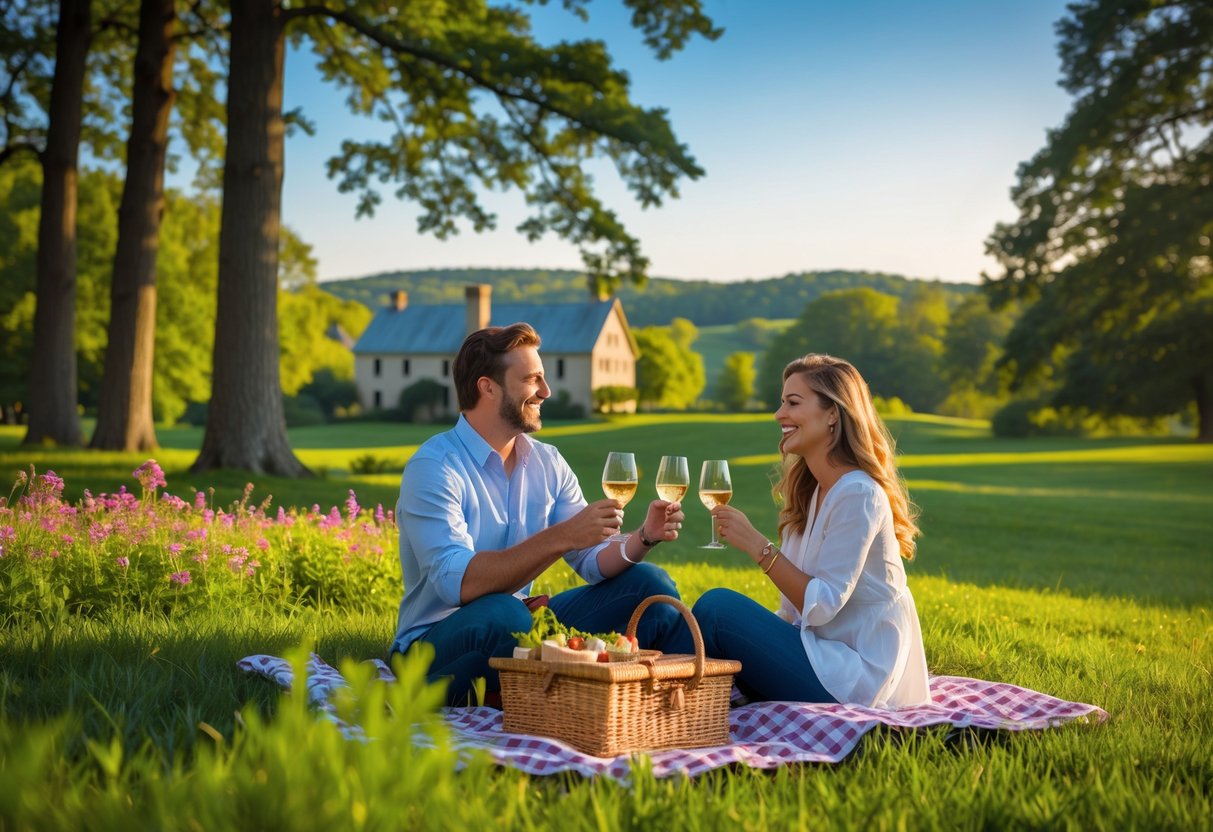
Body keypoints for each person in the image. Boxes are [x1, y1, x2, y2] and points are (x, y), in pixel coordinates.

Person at [389, 322, 690, 706]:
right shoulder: (434, 467)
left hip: (524, 625)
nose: (546, 392)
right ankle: (550, 690)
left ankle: (678, 700)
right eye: (533, 380)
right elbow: (458, 585)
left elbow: (591, 560)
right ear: (488, 387)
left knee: (650, 584)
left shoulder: (547, 462)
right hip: (436, 643)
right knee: (505, 615)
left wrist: (642, 537)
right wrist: (562, 536)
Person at [696, 353, 930, 708]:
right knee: (673, 620)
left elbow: (821, 606)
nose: (779, 414)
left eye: (793, 403)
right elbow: (792, 613)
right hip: (817, 657)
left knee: (717, 608)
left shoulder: (858, 494)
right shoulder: (812, 491)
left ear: (832, 414)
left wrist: (759, 547)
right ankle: (641, 689)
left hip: (854, 676)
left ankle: (654, 701)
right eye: (781, 402)